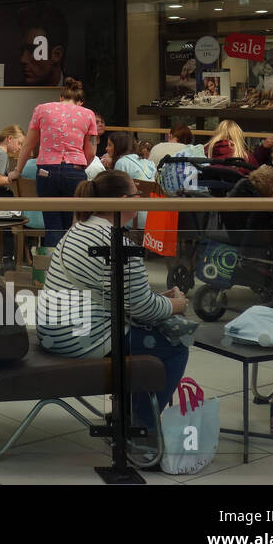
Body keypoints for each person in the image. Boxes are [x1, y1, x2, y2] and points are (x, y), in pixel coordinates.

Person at [36, 170, 188, 436]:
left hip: (56, 333)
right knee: (175, 347)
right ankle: (141, 427)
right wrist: (177, 305)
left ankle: (128, 415)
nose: (140, 200)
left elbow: (122, 296)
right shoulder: (116, 244)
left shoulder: (79, 230)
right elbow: (143, 309)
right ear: (121, 201)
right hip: (83, 340)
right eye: (136, 195)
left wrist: (158, 300)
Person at [14, 78, 98, 249]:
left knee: (52, 225)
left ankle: (51, 270)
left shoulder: (42, 109)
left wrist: (17, 170)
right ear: (79, 101)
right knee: (70, 225)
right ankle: (67, 267)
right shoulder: (88, 114)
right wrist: (79, 166)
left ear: (61, 97)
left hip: (47, 170)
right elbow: (91, 152)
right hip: (75, 171)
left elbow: (29, 144)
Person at [17, 3, 68, 86]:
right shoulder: (15, 93)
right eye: (22, 50)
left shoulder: (82, 90)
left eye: (34, 50)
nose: (23, 59)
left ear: (57, 54)